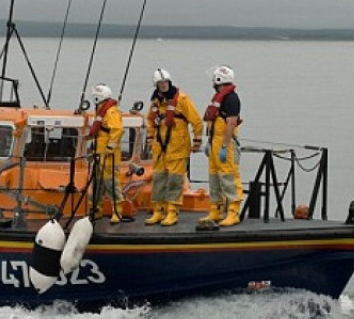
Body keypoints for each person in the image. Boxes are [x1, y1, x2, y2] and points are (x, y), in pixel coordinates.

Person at [144, 68, 203, 226]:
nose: (163, 85)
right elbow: (150, 121)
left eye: (165, 82)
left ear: (169, 82)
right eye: (160, 83)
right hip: (160, 148)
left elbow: (196, 121)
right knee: (158, 179)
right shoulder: (156, 103)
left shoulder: (182, 100)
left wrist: (197, 140)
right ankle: (158, 210)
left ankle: (172, 211)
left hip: (178, 147)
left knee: (175, 181)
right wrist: (150, 139)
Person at [199, 65, 243, 227]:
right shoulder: (219, 97)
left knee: (228, 176)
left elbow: (230, 123)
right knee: (214, 177)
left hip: (225, 143)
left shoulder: (231, 99)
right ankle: (216, 208)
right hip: (214, 142)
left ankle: (233, 211)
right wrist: (209, 143)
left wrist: (224, 146)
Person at [89, 83, 132, 224]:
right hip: (99, 153)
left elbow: (117, 130)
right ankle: (96, 209)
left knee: (111, 183)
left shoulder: (111, 112)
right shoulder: (100, 110)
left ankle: (117, 211)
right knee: (97, 183)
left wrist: (110, 147)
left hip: (108, 155)